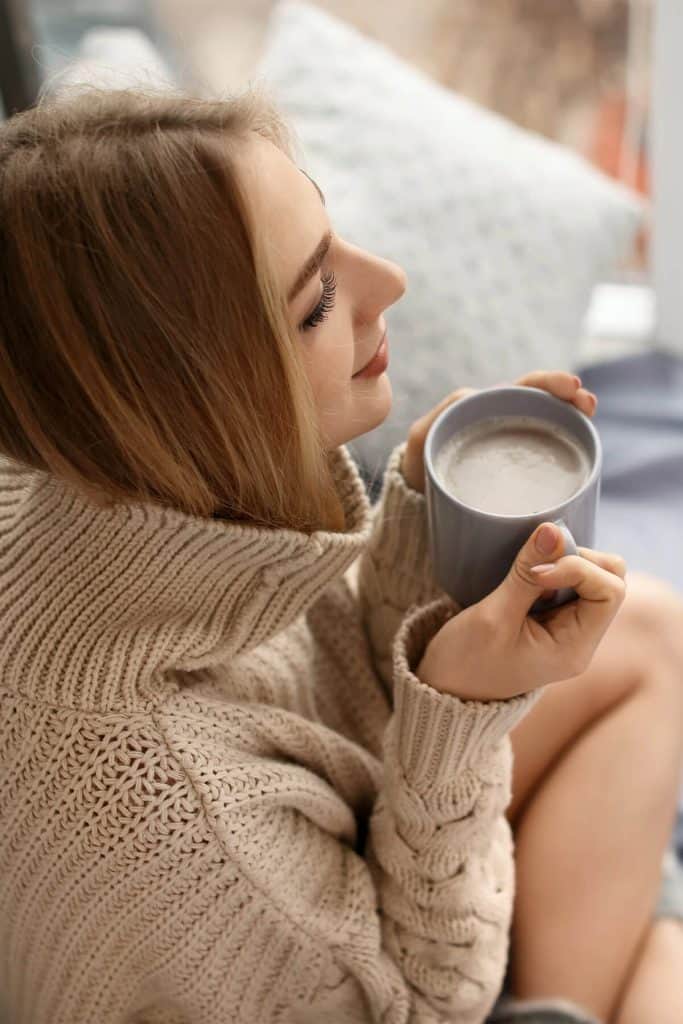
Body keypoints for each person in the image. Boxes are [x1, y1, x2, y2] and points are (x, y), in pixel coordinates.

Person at [0, 83, 681, 1024]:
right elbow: (415, 1006)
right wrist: (462, 718)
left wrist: (418, 527)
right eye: (318, 298)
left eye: (331, 236)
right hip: (378, 981)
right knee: (664, 966)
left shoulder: (100, 473)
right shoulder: (171, 812)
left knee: (650, 633)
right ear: (196, 401)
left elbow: (322, 705)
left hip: (318, 867)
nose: (388, 280)